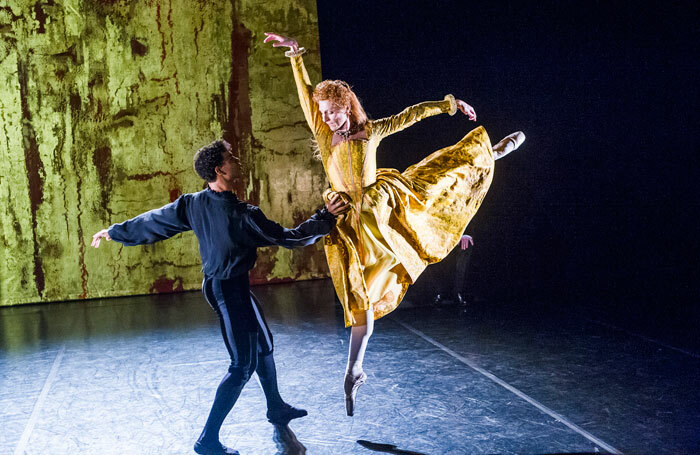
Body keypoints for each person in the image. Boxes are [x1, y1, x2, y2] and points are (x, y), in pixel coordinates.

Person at [264, 32, 526, 416]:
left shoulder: (370, 131)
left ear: (346, 108)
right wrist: (295, 54)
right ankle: (354, 368)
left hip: (381, 208)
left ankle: (493, 153)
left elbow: (412, 114)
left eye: (332, 112)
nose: (325, 118)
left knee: (438, 178)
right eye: (321, 112)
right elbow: (306, 95)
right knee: (361, 306)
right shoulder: (324, 134)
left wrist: (449, 105)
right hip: (349, 224)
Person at [91, 139, 349, 455]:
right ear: (220, 170)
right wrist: (326, 216)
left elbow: (155, 220)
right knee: (242, 365)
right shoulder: (243, 215)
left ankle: (276, 407)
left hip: (227, 287)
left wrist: (116, 232)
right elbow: (290, 238)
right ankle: (207, 440)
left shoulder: (193, 203)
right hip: (229, 292)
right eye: (232, 157)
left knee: (263, 345)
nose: (237, 159)